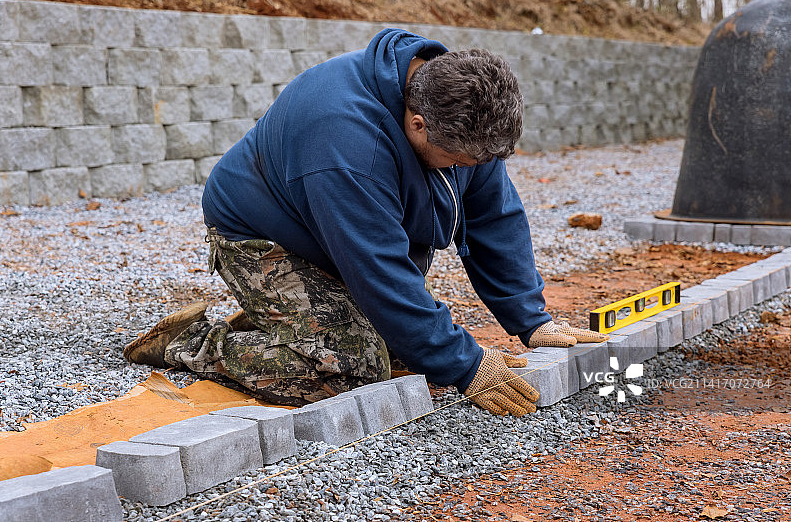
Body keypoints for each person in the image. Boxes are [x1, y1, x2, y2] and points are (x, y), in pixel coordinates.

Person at [124, 28, 607, 415]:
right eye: (458, 162)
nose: (466, 170)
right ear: (417, 124)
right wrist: (468, 367)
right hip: (261, 236)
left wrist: (530, 319)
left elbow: (493, 216)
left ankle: (287, 319)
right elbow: (378, 268)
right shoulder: (346, 142)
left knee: (403, 346)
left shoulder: (457, 107)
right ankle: (194, 343)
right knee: (351, 366)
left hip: (334, 233)